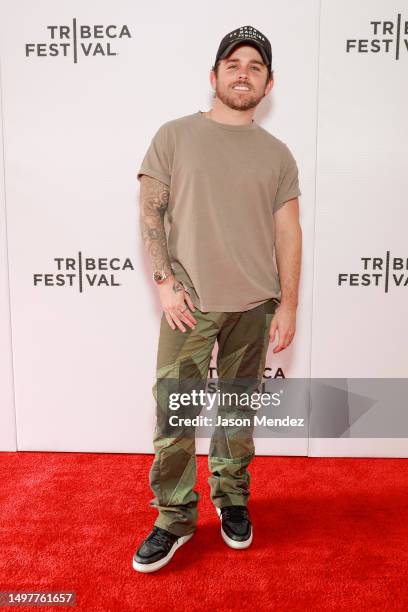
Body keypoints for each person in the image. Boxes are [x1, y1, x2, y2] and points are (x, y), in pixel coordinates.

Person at [132, 25, 302, 573]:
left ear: (268, 84)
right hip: (191, 303)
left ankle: (232, 501)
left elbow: (288, 232)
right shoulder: (175, 135)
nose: (242, 71)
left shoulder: (278, 155)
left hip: (254, 306)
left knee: (236, 412)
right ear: (214, 76)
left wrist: (290, 304)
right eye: (233, 63)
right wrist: (163, 281)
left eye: (255, 65)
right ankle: (174, 517)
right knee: (175, 412)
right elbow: (151, 209)